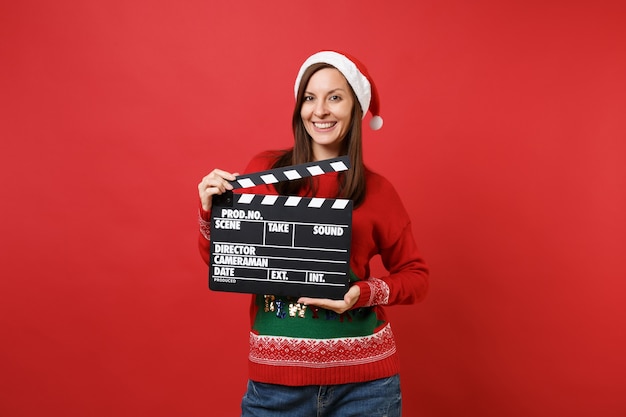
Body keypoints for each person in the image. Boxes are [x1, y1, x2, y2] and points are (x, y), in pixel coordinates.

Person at [197, 50, 429, 417]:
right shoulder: (264, 171)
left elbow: (417, 278)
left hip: (366, 386)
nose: (319, 110)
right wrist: (212, 214)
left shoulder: (379, 192)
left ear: (355, 108)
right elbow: (223, 261)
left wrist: (361, 293)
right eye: (310, 97)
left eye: (335, 97)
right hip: (275, 386)